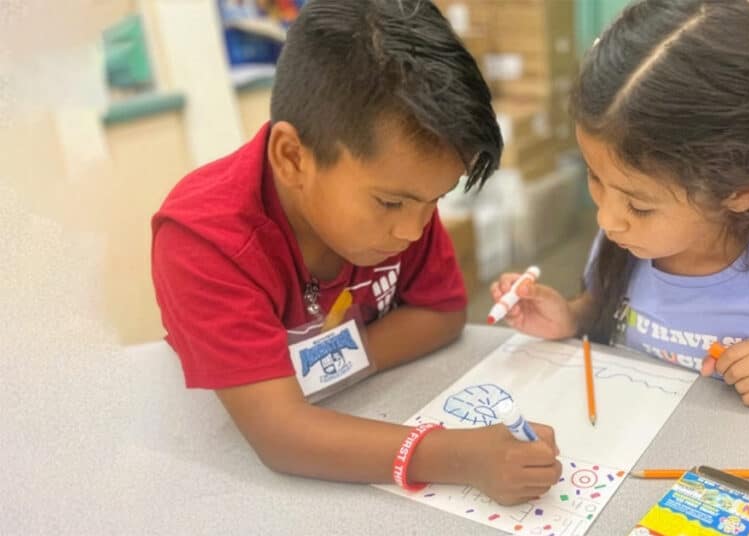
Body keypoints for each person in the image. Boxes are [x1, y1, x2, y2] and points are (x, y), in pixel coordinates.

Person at [152, 0, 560, 505]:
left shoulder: (401, 198)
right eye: (391, 202)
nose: (414, 229)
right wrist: (459, 457)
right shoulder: (203, 240)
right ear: (291, 157)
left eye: (433, 200)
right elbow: (279, 435)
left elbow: (444, 310)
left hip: (365, 416)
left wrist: (321, 364)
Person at [491, 0, 749, 424]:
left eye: (639, 204)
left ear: (741, 190)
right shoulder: (629, 237)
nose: (607, 219)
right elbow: (601, 306)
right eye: (595, 178)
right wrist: (570, 316)